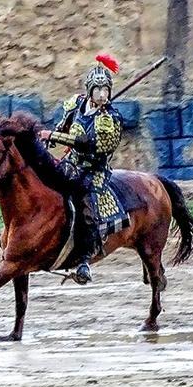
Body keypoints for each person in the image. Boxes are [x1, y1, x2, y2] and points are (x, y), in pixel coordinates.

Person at [39, 53, 123, 285]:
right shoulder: (76, 104)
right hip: (72, 163)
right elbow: (64, 125)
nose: (103, 95)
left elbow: (88, 143)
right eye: (99, 90)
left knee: (87, 208)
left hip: (94, 169)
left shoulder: (109, 118)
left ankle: (85, 260)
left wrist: (54, 136)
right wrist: (53, 137)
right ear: (89, 90)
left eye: (107, 90)